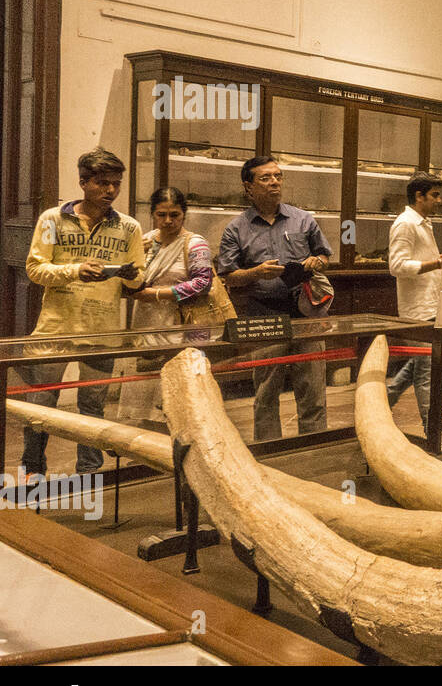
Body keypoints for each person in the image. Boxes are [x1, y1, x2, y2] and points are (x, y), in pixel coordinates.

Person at [19, 148, 145, 478]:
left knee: (92, 408)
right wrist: (74, 271)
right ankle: (33, 475)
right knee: (41, 408)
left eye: (116, 184)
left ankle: (90, 479)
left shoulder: (129, 227)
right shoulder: (52, 219)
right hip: (56, 329)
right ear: (83, 182)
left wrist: (131, 276)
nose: (110, 191)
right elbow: (35, 268)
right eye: (102, 183)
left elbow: (140, 274)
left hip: (102, 330)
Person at [217, 156, 332, 441]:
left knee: (313, 389)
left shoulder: (303, 219)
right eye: (266, 178)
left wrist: (317, 262)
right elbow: (228, 276)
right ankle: (270, 452)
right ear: (248, 187)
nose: (274, 183)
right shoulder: (236, 228)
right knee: (266, 391)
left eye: (278, 176)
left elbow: (324, 254)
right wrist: (256, 273)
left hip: (307, 313)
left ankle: (313, 445)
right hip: (263, 316)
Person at [118, 187, 217, 426]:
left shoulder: (195, 244)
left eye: (175, 215)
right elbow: (128, 279)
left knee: (178, 395)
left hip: (182, 325)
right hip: (147, 324)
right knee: (145, 387)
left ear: (184, 215)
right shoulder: (146, 241)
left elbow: (203, 283)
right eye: (162, 214)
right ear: (152, 214)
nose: (168, 220)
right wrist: (131, 260)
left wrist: (159, 294)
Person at [387, 171, 442, 439]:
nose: (439, 200)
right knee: (426, 375)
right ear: (419, 196)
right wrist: (439, 262)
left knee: (421, 366)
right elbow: (397, 266)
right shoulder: (405, 224)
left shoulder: (422, 222)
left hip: (431, 306)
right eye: (435, 195)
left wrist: (440, 258)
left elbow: (418, 260)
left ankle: (384, 401)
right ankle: (434, 435)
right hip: (417, 311)